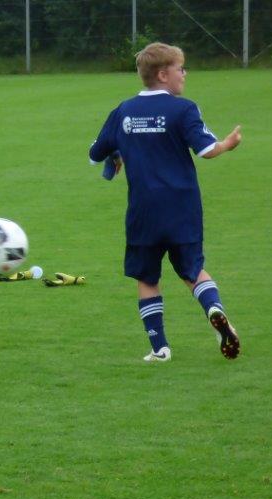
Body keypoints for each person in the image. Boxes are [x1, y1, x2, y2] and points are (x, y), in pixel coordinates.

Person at [88, 42, 242, 362]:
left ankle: (159, 348)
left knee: (147, 278)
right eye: (180, 69)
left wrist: (116, 152)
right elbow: (206, 149)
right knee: (192, 270)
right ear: (162, 74)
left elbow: (95, 153)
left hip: (144, 210)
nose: (184, 74)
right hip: (182, 207)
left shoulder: (123, 111)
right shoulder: (183, 109)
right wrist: (228, 144)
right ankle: (214, 310)